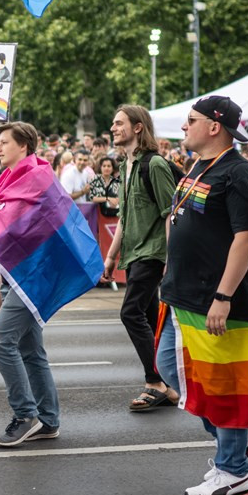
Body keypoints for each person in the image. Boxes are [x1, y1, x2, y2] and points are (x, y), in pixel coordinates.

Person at [156, 95, 248, 495]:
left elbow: (247, 237)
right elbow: (180, 218)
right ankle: (236, 437)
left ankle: (234, 471)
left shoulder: (239, 174)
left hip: (218, 301)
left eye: (191, 120)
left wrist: (223, 296)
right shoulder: (200, 166)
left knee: (224, 390)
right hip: (184, 294)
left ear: (214, 126)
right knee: (174, 371)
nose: (184, 126)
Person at [0, 122, 61, 447]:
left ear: (24, 146)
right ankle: (48, 420)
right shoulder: (5, 180)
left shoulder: (39, 177)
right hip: (11, 274)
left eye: (4, 142)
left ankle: (25, 414)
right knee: (31, 351)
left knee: (1, 342)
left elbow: (39, 230)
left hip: (32, 275)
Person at [102, 105, 179, 411]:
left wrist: (171, 259)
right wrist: (110, 257)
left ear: (137, 128)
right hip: (134, 253)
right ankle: (168, 387)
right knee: (148, 318)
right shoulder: (125, 166)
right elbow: (123, 217)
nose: (113, 127)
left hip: (153, 252)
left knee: (130, 313)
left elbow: (170, 214)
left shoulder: (155, 164)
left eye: (118, 123)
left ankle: (155, 382)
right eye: (113, 123)